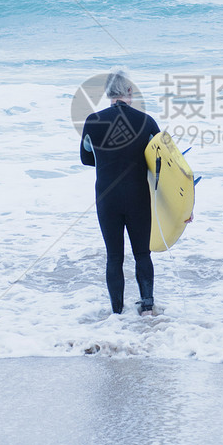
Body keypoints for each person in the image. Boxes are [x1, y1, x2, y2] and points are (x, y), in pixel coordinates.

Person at [81, 70, 161, 316]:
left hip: (107, 198)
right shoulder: (146, 121)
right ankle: (147, 306)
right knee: (142, 254)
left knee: (114, 257)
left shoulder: (93, 121)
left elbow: (86, 158)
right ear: (129, 92)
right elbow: (162, 162)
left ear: (108, 94)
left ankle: (117, 312)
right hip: (138, 197)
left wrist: (108, 162)